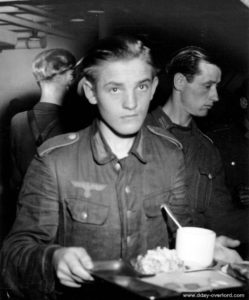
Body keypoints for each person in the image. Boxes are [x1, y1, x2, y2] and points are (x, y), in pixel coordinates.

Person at [0, 35, 191, 300]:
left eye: (141, 87)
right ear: (91, 91)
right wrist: (52, 259)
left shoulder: (171, 156)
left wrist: (209, 250)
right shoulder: (55, 161)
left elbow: (184, 234)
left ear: (155, 86)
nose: (132, 103)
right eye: (115, 89)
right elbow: (13, 255)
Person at [146, 46, 248, 257]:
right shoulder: (139, 134)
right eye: (208, 86)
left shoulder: (207, 149)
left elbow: (220, 219)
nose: (216, 96)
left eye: (217, 87)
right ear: (180, 82)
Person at [9, 48, 76, 194]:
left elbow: (15, 177)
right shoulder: (75, 122)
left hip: (27, 203)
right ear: (70, 77)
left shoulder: (17, 121)